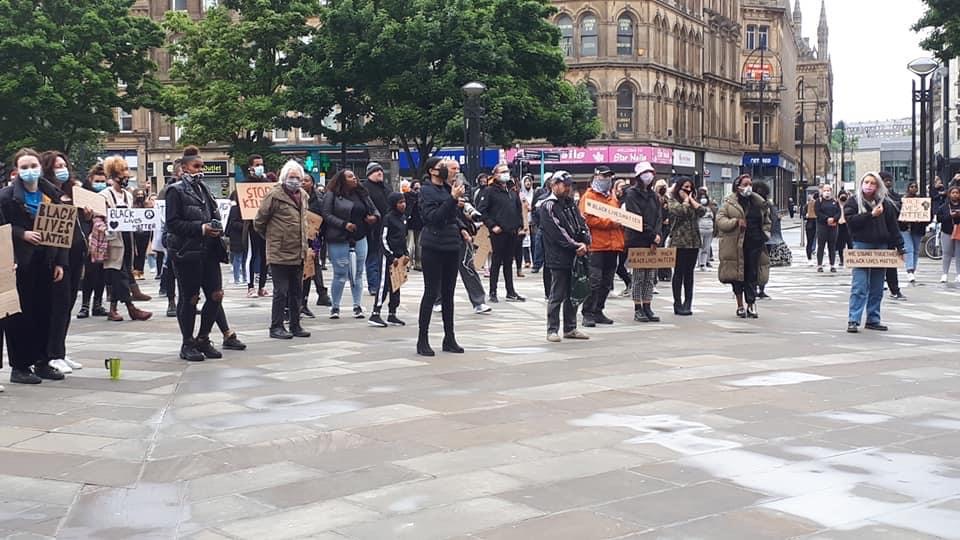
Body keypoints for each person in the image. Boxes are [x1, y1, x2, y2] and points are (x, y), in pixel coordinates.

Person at [0, 149, 68, 384]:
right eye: (24, 167)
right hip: (19, 264)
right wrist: (23, 234)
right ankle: (20, 366)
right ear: (17, 170)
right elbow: (3, 229)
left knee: (45, 312)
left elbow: (62, 229)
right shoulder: (6, 197)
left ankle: (42, 361)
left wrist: (60, 262)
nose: (30, 171)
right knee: (20, 316)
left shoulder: (52, 194)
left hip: (45, 261)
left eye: (33, 165)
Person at [165, 146, 227, 361]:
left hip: (209, 250)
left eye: (202, 166)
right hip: (186, 252)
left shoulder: (205, 190)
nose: (200, 170)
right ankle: (187, 342)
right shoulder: (176, 190)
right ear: (184, 168)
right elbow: (172, 223)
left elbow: (212, 213)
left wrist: (216, 229)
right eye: (196, 166)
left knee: (216, 295)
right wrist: (200, 228)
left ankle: (203, 337)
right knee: (190, 298)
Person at [41, 151, 89, 374]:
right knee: (58, 305)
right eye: (57, 165)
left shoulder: (73, 192)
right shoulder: (47, 194)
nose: (62, 168)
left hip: (77, 253)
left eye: (64, 164)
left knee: (68, 304)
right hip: (59, 256)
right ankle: (52, 353)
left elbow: (79, 225)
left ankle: (60, 349)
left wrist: (86, 215)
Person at [255, 160, 310, 340]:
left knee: (296, 292)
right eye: (291, 177)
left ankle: (295, 325)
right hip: (279, 251)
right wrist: (274, 238)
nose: (295, 180)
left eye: (298, 177)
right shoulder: (274, 195)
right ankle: (276, 326)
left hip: (298, 250)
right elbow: (259, 222)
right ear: (284, 177)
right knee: (281, 292)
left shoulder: (303, 195)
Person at [416, 156, 466, 356]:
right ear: (431, 171)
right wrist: (452, 199)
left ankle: (449, 337)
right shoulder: (426, 191)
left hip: (451, 245)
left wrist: (462, 228)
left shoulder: (447, 189)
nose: (446, 170)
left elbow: (452, 217)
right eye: (441, 167)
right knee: (431, 292)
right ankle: (422, 339)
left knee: (449, 293)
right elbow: (433, 218)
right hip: (433, 245)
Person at [844, 172, 905, 333]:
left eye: (873, 183)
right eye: (866, 182)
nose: (869, 186)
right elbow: (851, 221)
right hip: (862, 246)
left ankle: (873, 318)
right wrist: (870, 215)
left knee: (877, 286)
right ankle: (853, 319)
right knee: (860, 285)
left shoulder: (886, 203)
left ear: (878, 186)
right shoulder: (853, 201)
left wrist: (900, 247)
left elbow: (893, 227)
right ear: (861, 183)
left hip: (881, 247)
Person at [539, 171, 591, 342]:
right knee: (557, 293)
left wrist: (585, 241)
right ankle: (552, 329)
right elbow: (557, 232)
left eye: (569, 185)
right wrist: (575, 245)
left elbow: (580, 223)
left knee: (573, 293)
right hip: (559, 256)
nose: (567, 188)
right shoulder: (548, 205)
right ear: (554, 184)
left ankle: (571, 327)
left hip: (576, 255)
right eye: (564, 184)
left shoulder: (570, 203)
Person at [321, 168, 379, 319]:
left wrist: (374, 218)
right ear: (341, 180)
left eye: (354, 176)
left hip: (360, 237)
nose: (354, 178)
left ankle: (357, 305)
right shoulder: (332, 195)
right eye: (350, 177)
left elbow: (375, 211)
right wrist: (343, 224)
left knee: (358, 273)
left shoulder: (362, 194)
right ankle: (335, 306)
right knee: (340, 274)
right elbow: (326, 214)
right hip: (339, 238)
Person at [100, 156, 152, 321]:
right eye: (123, 172)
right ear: (114, 175)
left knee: (122, 271)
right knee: (118, 272)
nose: (126, 176)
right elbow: (100, 217)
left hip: (128, 238)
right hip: (113, 240)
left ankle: (113, 309)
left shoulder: (128, 196)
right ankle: (131, 307)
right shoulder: (104, 195)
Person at [717, 174, 771, 319]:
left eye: (750, 184)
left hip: (754, 243)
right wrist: (735, 222)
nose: (748, 187)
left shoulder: (758, 203)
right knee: (737, 276)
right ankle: (740, 305)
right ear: (738, 186)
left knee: (752, 274)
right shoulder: (729, 203)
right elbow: (720, 221)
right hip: (736, 244)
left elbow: (767, 220)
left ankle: (751, 304)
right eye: (745, 184)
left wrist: (765, 234)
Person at [578, 166, 623, 326]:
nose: (607, 180)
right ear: (596, 177)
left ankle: (598, 310)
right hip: (596, 246)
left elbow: (619, 217)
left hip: (613, 245)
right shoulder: (588, 197)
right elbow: (586, 220)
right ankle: (588, 312)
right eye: (604, 177)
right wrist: (610, 222)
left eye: (609, 177)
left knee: (607, 281)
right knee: (594, 281)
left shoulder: (612, 198)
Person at [478, 163, 525, 303]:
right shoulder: (489, 191)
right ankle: (493, 291)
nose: (506, 174)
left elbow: (518, 210)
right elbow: (482, 211)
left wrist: (520, 226)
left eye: (507, 171)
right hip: (498, 232)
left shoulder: (512, 191)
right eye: (502, 171)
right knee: (496, 261)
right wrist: (492, 226)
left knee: (509, 262)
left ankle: (510, 291)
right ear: (496, 174)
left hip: (512, 231)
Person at [623, 162, 663, 323]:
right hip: (637, 239)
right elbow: (636, 218)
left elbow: (659, 216)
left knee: (650, 276)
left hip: (653, 240)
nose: (649, 176)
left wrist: (658, 235)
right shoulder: (632, 194)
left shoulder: (653, 195)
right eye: (645, 173)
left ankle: (648, 305)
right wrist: (651, 235)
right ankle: (638, 308)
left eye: (650, 172)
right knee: (639, 276)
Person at [667, 177, 706, 316]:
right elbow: (680, 211)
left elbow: (702, 211)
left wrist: (692, 200)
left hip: (693, 241)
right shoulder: (672, 200)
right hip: (679, 241)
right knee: (678, 272)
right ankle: (677, 302)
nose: (687, 190)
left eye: (690, 187)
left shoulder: (693, 199)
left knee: (689, 273)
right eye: (685, 187)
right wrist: (685, 200)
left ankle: (688, 302)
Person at [369, 192, 408, 327]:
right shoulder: (388, 218)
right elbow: (383, 238)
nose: (403, 205)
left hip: (399, 257)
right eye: (400, 202)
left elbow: (403, 237)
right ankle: (375, 313)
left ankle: (392, 313)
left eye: (404, 202)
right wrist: (390, 255)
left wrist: (405, 253)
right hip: (388, 257)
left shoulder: (403, 218)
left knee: (396, 286)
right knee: (383, 285)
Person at [77, 165, 109, 319]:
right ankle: (85, 305)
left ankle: (97, 303)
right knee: (90, 273)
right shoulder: (83, 196)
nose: (100, 183)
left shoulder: (106, 196)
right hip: (88, 239)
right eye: (97, 180)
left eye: (103, 181)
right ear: (90, 180)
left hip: (103, 238)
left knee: (102, 273)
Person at [301, 173, 330, 313]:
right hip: (298, 239)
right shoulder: (296, 198)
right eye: (301, 180)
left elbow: (323, 219)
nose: (303, 183)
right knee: (305, 268)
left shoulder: (318, 200)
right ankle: (320, 293)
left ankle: (306, 301)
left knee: (312, 265)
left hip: (314, 239)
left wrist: (319, 233)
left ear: (312, 183)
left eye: (306, 180)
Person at [361, 162, 390, 296]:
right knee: (372, 257)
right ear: (369, 174)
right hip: (372, 229)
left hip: (386, 228)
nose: (380, 173)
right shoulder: (365, 188)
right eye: (376, 171)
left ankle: (383, 284)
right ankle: (374, 285)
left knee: (383, 258)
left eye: (381, 170)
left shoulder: (386, 188)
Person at [244, 155, 270, 298]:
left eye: (261, 164)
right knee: (252, 255)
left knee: (265, 256)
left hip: (265, 226)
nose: (260, 167)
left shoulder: (266, 183)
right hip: (251, 226)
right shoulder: (245, 184)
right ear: (251, 167)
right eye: (257, 164)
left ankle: (262, 286)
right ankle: (250, 287)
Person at [880, 172, 907, 300]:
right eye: (885, 180)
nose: (888, 183)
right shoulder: (873, 197)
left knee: (891, 265)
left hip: (890, 234)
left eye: (890, 180)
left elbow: (899, 217)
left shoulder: (896, 197)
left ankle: (895, 290)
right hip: (875, 234)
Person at [753, 182, 779, 299]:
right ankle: (756, 288)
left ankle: (759, 288)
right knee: (758, 264)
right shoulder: (755, 204)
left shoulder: (768, 205)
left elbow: (773, 221)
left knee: (763, 264)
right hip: (759, 238)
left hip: (765, 238)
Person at [900, 181, 929, 282]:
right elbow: (897, 214)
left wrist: (923, 219)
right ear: (908, 188)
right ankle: (909, 270)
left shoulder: (921, 200)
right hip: (905, 228)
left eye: (915, 187)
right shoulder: (902, 200)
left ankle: (913, 269)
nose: (913, 188)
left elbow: (927, 214)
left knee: (916, 249)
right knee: (909, 248)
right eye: (911, 187)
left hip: (917, 228)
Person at [815, 183, 841, 273]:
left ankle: (832, 265)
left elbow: (839, 212)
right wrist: (826, 219)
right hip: (822, 226)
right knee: (821, 246)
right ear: (822, 191)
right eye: (825, 190)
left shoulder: (835, 201)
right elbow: (817, 213)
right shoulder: (819, 201)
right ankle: (819, 265)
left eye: (828, 190)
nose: (827, 192)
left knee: (832, 246)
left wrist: (834, 219)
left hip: (833, 227)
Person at [937, 185, 960, 283]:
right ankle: (945, 274)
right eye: (953, 193)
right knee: (947, 253)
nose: (955, 195)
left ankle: (959, 274)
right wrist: (949, 215)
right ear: (949, 194)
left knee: (959, 254)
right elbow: (939, 219)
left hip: (959, 231)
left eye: (957, 193)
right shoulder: (944, 206)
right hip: (947, 231)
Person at [226, 189, 248, 285]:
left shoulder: (242, 209)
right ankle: (237, 278)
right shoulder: (235, 209)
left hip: (242, 236)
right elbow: (233, 223)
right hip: (237, 236)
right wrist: (245, 226)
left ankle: (244, 277)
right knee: (238, 257)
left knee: (244, 258)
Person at [404, 180, 423, 271]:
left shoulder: (422, 197)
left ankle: (418, 263)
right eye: (416, 188)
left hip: (419, 223)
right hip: (410, 223)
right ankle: (408, 262)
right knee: (410, 244)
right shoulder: (407, 196)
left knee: (419, 244)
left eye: (419, 188)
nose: (417, 190)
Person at [697, 190, 717, 271]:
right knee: (700, 247)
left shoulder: (711, 207)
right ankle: (699, 264)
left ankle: (704, 264)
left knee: (706, 248)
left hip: (709, 230)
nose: (703, 199)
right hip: (700, 229)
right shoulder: (697, 206)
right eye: (701, 197)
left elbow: (714, 217)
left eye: (704, 197)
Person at [837, 191, 852, 267]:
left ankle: (850, 260)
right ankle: (841, 260)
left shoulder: (849, 204)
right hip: (839, 225)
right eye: (841, 197)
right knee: (840, 245)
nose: (843, 199)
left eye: (844, 197)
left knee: (850, 243)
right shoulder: (837, 205)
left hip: (848, 225)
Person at [805, 193, 818, 265]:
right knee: (810, 242)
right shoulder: (808, 205)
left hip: (814, 225)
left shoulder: (819, 204)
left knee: (811, 242)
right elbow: (803, 214)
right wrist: (806, 214)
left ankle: (811, 259)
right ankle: (809, 258)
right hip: (811, 225)